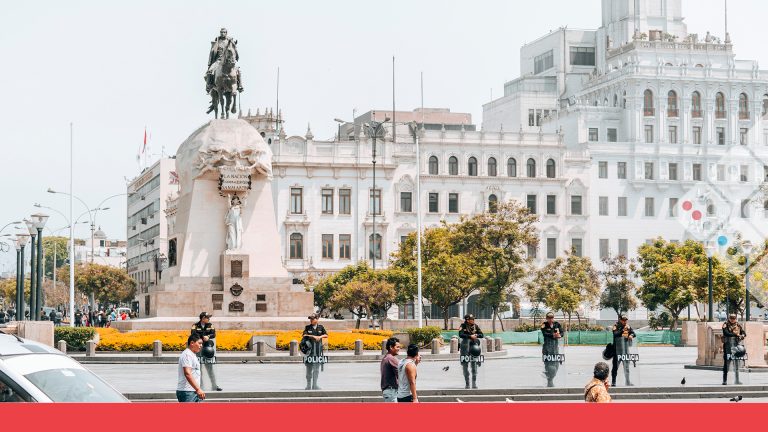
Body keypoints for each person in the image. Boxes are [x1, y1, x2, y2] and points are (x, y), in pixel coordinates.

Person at [206, 27, 243, 93]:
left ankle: (240, 85)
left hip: (229, 61)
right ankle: (209, 85)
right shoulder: (217, 41)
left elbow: (234, 49)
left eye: (224, 32)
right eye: (221, 32)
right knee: (210, 71)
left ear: (226, 33)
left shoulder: (230, 41)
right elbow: (213, 51)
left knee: (238, 71)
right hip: (218, 60)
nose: (222, 33)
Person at [191, 312, 222, 391]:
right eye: (207, 317)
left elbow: (214, 334)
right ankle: (200, 385)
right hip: (198, 349)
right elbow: (193, 334)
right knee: (199, 368)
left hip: (208, 349)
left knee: (210, 368)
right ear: (203, 318)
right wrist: (201, 337)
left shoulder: (210, 325)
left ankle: (214, 385)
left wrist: (208, 336)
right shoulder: (195, 325)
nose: (209, 319)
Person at [302, 314, 328, 390]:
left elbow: (326, 335)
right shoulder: (308, 327)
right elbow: (304, 335)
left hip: (318, 351)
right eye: (310, 319)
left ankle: (315, 385)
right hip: (309, 352)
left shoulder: (321, 327)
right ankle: (308, 385)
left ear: (317, 319)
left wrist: (320, 337)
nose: (311, 320)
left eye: (312, 319)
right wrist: (313, 336)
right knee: (309, 369)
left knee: (316, 369)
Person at [177, 334, 205, 403]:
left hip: (193, 391)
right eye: (199, 343)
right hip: (187, 392)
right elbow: (187, 373)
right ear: (192, 343)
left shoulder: (192, 354)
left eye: (202, 344)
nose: (201, 346)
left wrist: (197, 389)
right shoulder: (187, 355)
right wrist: (198, 389)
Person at [458, 314, 484, 389]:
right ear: (467, 320)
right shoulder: (463, 326)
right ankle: (467, 383)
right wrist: (470, 336)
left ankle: (474, 383)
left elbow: (481, 334)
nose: (473, 320)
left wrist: (476, 335)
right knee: (465, 367)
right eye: (472, 319)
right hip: (465, 349)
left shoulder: (475, 326)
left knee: (474, 367)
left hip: (474, 349)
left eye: (473, 319)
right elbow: (461, 334)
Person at [541, 311, 565, 387]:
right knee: (548, 365)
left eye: (552, 318)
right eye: (549, 318)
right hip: (547, 349)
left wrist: (559, 335)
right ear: (546, 318)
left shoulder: (557, 324)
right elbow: (545, 333)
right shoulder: (544, 325)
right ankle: (549, 379)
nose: (550, 319)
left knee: (556, 364)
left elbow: (562, 333)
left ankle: (551, 377)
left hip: (555, 348)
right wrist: (553, 335)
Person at [611, 314, 636, 386]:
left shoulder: (628, 326)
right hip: (617, 350)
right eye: (623, 320)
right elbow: (615, 334)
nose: (625, 321)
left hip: (625, 350)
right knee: (615, 367)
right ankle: (613, 382)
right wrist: (622, 330)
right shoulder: (615, 326)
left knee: (627, 367)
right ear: (620, 319)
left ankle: (627, 382)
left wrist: (631, 335)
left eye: (626, 320)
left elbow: (634, 333)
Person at [722, 313, 746, 385]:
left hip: (736, 346)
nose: (733, 320)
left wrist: (742, 335)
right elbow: (726, 333)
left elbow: (744, 333)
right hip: (728, 346)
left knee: (736, 363)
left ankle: (737, 380)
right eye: (731, 318)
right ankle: (725, 380)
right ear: (729, 318)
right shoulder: (725, 324)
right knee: (727, 363)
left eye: (734, 318)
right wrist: (736, 334)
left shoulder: (738, 325)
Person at [380, 337, 401, 402]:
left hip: (388, 391)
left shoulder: (385, 358)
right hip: (392, 391)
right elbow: (401, 374)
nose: (399, 349)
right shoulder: (391, 359)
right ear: (391, 347)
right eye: (397, 347)